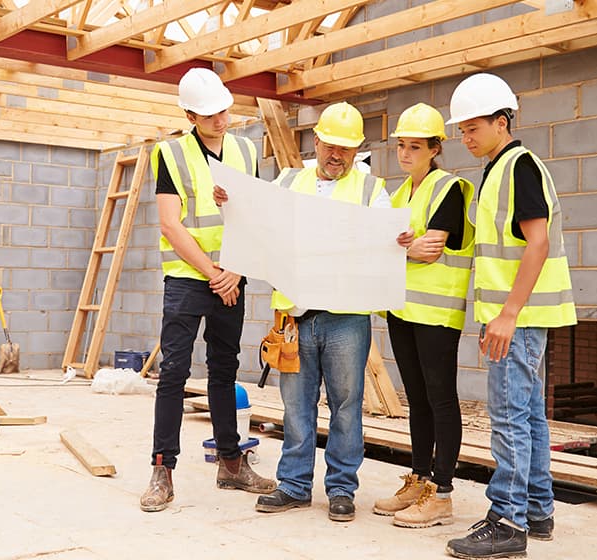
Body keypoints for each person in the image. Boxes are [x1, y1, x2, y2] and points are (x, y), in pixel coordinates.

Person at [219, 102, 390, 522]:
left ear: (357, 151)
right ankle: (294, 485)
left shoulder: (372, 191)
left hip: (346, 317)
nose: (337, 156)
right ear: (316, 142)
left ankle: (341, 490)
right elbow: (257, 225)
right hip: (294, 316)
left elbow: (387, 240)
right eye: (331, 146)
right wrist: (230, 205)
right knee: (296, 406)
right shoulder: (288, 181)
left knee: (346, 404)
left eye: (347, 150)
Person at [443, 74, 576, 558]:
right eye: (461, 130)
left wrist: (508, 314)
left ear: (502, 122)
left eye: (473, 127)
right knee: (527, 416)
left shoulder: (518, 166)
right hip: (516, 316)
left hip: (516, 318)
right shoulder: (498, 169)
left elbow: (536, 242)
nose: (466, 137)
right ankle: (537, 511)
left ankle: (507, 521)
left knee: (509, 418)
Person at [139, 68, 276, 513]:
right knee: (175, 373)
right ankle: (163, 470)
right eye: (211, 113)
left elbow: (254, 215)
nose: (221, 118)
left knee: (224, 370)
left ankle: (231, 465)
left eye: (224, 109)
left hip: (230, 277)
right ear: (190, 114)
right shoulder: (171, 154)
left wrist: (233, 271)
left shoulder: (244, 149)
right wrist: (213, 271)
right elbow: (169, 223)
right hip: (188, 278)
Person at [372, 103, 475, 528]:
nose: (406, 153)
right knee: (416, 400)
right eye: (401, 145)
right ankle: (419, 479)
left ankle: (443, 494)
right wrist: (400, 247)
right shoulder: (399, 194)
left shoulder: (449, 188)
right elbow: (388, 247)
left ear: (435, 149)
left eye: (416, 146)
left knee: (441, 399)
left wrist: (398, 247)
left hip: (436, 314)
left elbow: (431, 249)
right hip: (402, 309)